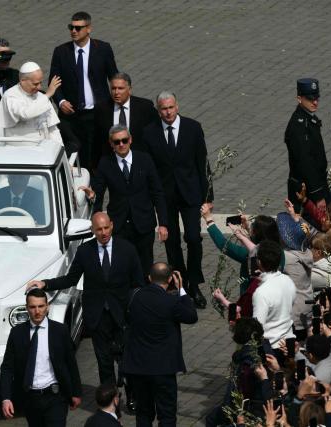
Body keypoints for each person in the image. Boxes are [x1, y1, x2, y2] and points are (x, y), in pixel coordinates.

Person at [26, 212, 143, 388]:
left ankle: (131, 392)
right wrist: (45, 283)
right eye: (99, 229)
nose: (103, 233)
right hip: (97, 314)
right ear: (92, 230)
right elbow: (70, 279)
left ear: (111, 225)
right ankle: (110, 399)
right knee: (104, 361)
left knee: (126, 355)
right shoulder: (85, 251)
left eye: (106, 228)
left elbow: (138, 283)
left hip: (122, 312)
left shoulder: (127, 249)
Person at [142, 91, 211, 308]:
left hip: (190, 193)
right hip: (165, 197)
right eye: (163, 109)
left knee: (193, 238)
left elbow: (203, 164)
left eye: (171, 107)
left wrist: (208, 197)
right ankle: (182, 283)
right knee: (171, 242)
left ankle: (195, 281)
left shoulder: (193, 128)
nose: (168, 112)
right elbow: (149, 170)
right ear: (158, 110)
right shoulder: (149, 133)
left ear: (177, 106)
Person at [81, 124, 168, 276]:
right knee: (121, 265)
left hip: (143, 223)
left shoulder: (144, 159)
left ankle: (143, 296)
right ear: (111, 144)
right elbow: (99, 192)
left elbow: (157, 192)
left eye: (124, 140)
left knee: (145, 264)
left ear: (130, 140)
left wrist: (163, 224)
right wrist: (93, 198)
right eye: (117, 142)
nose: (121, 144)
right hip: (119, 224)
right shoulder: (105, 163)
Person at [122, 262, 198, 427]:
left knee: (143, 413)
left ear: (149, 278)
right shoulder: (172, 302)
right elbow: (192, 316)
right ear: (170, 279)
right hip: (163, 369)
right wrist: (182, 290)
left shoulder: (134, 297)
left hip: (138, 367)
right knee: (167, 415)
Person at [0, 287, 82, 426]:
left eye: (41, 306)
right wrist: (6, 398)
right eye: (32, 307)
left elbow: (70, 362)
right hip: (30, 398)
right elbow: (7, 367)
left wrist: (76, 392)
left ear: (47, 307)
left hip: (56, 396)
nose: (37, 311)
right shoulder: (17, 333)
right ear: (27, 308)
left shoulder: (60, 331)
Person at [49, 11, 118, 169]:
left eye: (78, 28)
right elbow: (54, 82)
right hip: (71, 115)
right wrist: (61, 101)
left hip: (96, 112)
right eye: (71, 27)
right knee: (74, 153)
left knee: (96, 154)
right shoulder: (61, 52)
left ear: (89, 29)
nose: (73, 31)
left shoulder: (103, 49)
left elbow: (113, 76)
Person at [0, 62, 63, 142]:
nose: (39, 87)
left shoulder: (41, 97)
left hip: (43, 148)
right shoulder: (10, 96)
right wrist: (48, 94)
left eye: (40, 83)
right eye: (35, 84)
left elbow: (53, 128)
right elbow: (25, 114)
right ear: (22, 81)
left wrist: (59, 148)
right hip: (20, 149)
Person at [94, 72, 159, 159]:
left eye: (120, 88)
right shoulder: (102, 109)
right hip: (112, 160)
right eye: (113, 88)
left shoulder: (145, 107)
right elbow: (96, 139)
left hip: (139, 159)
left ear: (129, 89)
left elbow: (156, 134)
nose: (116, 92)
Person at [284, 78, 328, 206]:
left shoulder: (309, 118)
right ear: (299, 98)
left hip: (315, 184)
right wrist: (318, 195)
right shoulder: (298, 126)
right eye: (310, 99)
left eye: (316, 98)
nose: (315, 102)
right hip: (305, 190)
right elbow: (305, 162)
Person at [252, 240, 297, 357]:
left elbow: (257, 327)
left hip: (271, 349)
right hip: (288, 343)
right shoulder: (288, 281)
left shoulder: (261, 293)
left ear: (259, 262)